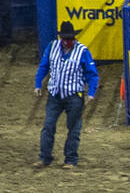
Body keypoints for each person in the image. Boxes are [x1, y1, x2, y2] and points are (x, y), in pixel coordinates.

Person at [33, 21, 98, 169]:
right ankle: (45, 157)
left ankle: (70, 159)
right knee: (48, 126)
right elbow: (44, 66)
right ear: (61, 38)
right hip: (55, 94)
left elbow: (92, 75)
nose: (68, 42)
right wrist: (38, 83)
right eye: (66, 39)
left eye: (71, 39)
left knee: (74, 128)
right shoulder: (52, 47)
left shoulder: (83, 51)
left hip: (74, 95)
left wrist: (91, 93)